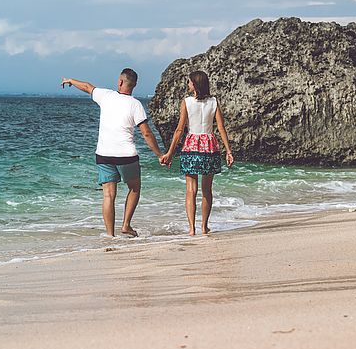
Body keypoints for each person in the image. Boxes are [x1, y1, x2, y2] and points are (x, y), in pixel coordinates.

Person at [61, 69, 164, 238]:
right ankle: (126, 225)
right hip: (126, 156)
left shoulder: (106, 96)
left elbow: (87, 86)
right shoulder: (135, 104)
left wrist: (71, 80)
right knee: (135, 188)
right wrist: (160, 155)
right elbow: (146, 133)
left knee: (108, 195)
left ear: (120, 82)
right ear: (135, 85)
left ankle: (110, 235)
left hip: (103, 154)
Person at [160, 70, 234, 236]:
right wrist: (228, 151)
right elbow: (221, 128)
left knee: (190, 190)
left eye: (189, 82)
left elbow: (180, 129)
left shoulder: (186, 102)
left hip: (192, 145)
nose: (187, 84)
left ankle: (192, 228)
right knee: (207, 190)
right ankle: (204, 227)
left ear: (195, 84)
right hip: (209, 146)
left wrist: (170, 152)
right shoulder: (214, 102)